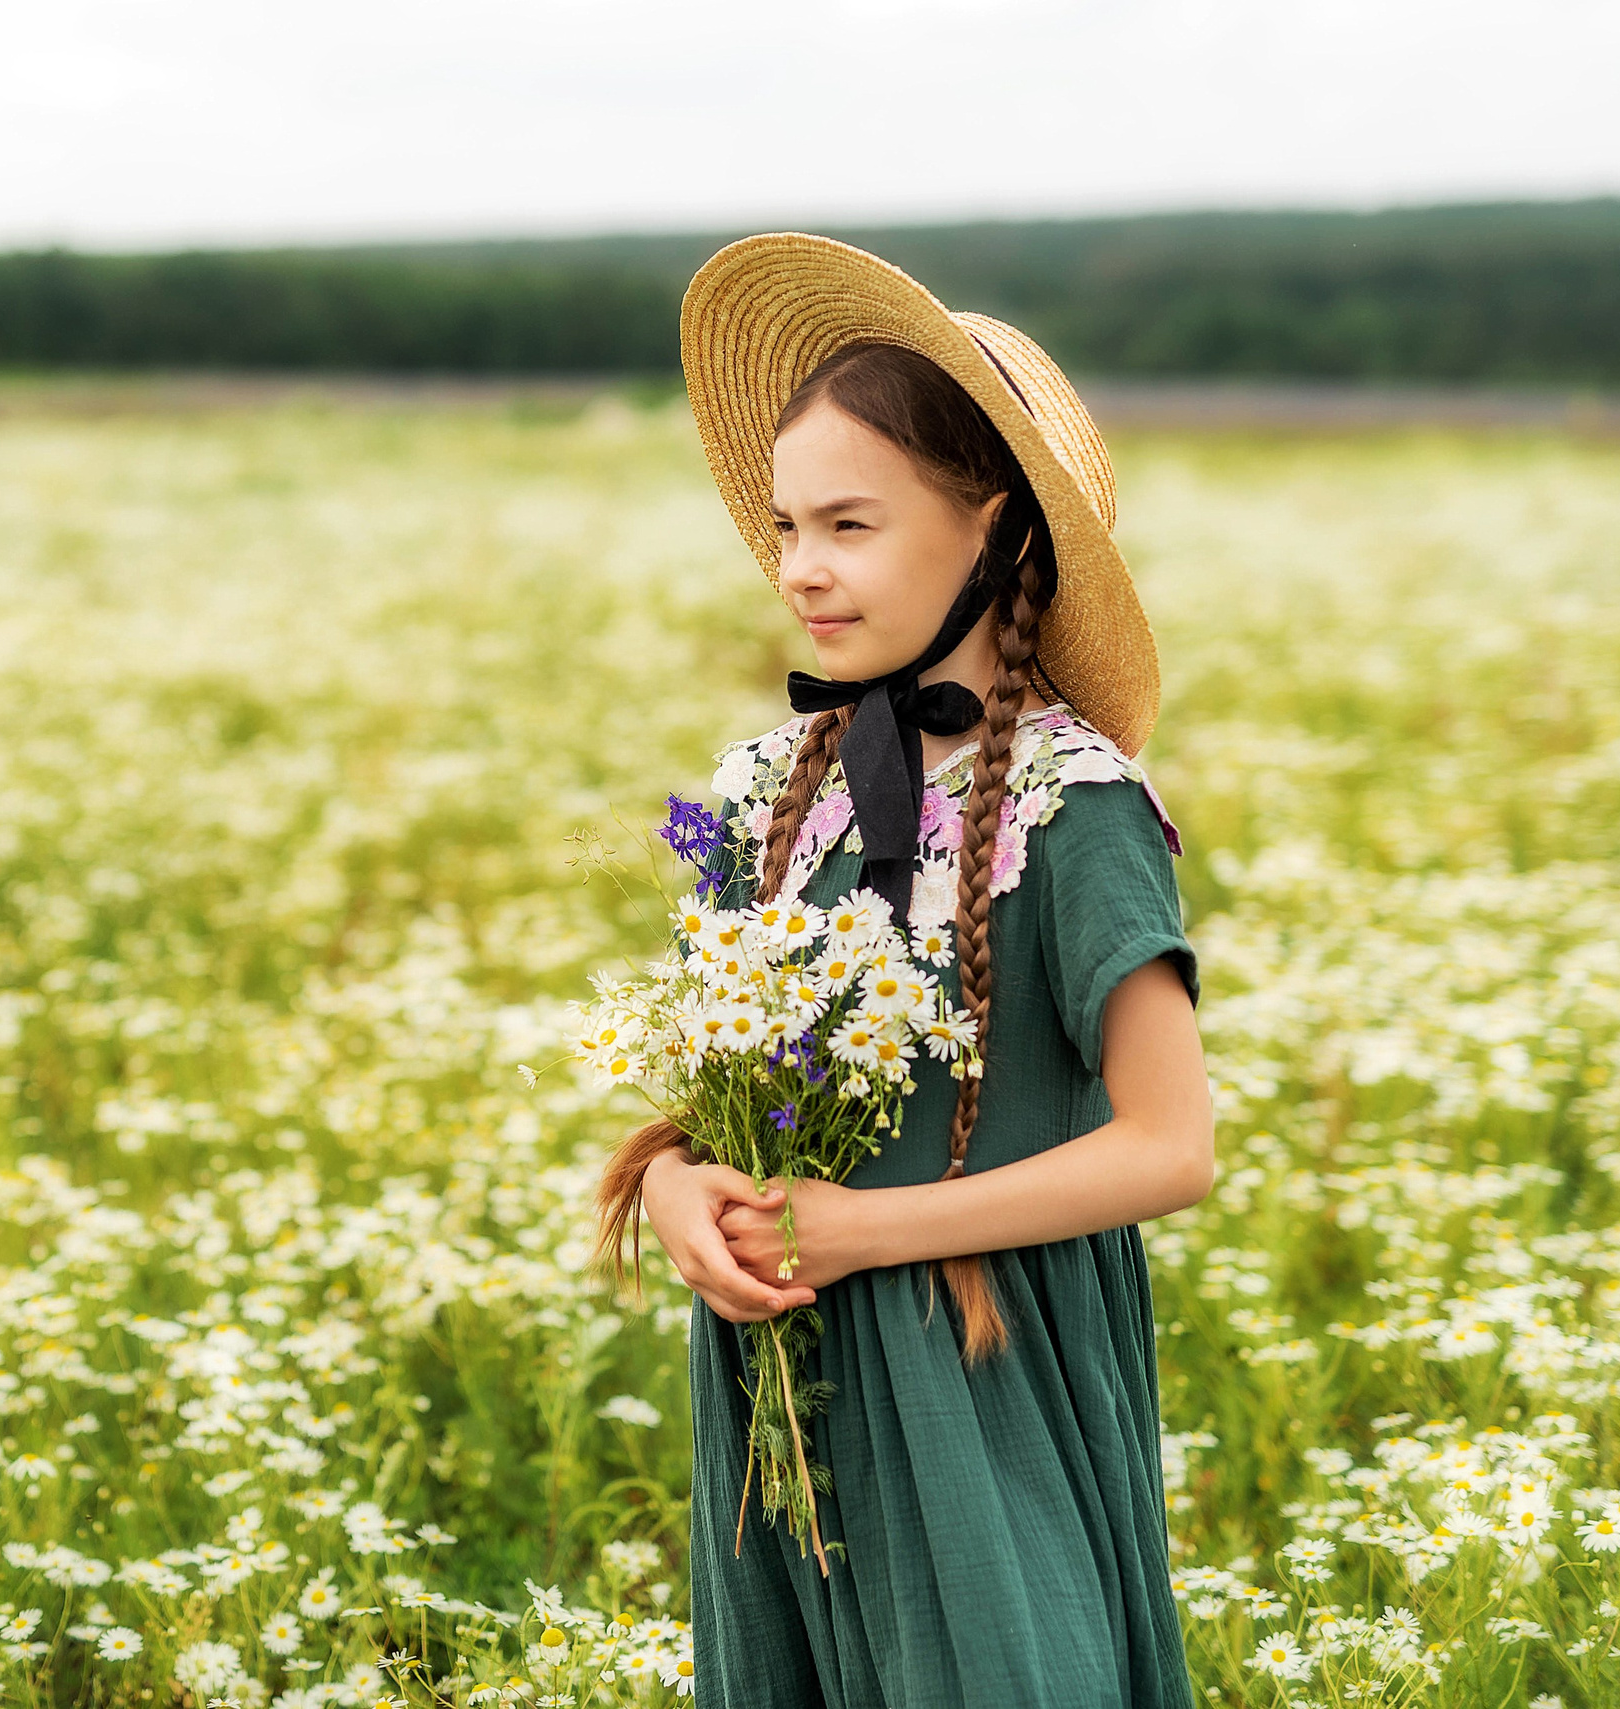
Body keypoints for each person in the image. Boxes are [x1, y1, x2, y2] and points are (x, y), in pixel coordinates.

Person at [594, 235, 1216, 1708]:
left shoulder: (1078, 806)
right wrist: (679, 1191)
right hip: (783, 1392)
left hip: (992, 1382)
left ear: (991, 525)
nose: (800, 566)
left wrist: (874, 1227)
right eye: (785, 523)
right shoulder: (762, 791)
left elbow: (1172, 1146)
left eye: (850, 524)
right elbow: (716, 1094)